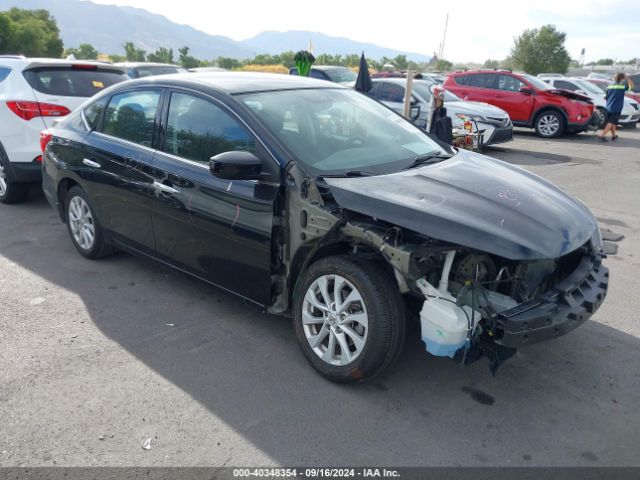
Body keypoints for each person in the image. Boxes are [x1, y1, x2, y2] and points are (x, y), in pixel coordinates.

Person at [597, 73, 634, 142]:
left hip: (609, 106)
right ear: (622, 79)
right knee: (611, 122)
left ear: (615, 78)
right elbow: (632, 86)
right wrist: (628, 79)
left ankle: (614, 136)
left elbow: (606, 97)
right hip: (616, 107)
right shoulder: (622, 86)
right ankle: (602, 136)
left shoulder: (609, 86)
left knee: (612, 122)